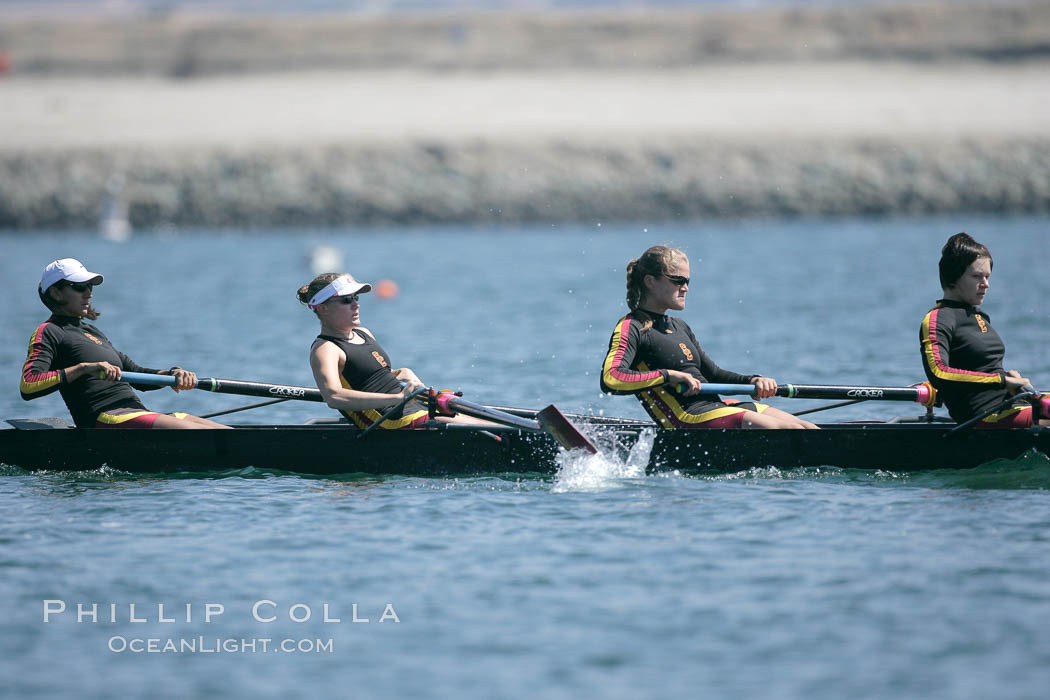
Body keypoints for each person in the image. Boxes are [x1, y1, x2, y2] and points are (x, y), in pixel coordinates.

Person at [600, 245, 817, 429]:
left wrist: (754, 380)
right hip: (686, 418)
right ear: (650, 281)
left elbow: (713, 374)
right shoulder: (632, 327)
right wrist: (668, 376)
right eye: (677, 280)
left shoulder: (679, 326)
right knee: (785, 430)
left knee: (807, 428)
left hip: (718, 407)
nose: (685, 288)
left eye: (687, 281)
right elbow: (611, 379)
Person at [20, 258, 228, 429]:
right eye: (80, 286)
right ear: (56, 293)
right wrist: (84, 369)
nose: (89, 293)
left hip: (135, 414)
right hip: (106, 417)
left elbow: (137, 374)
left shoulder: (92, 331)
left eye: (90, 286)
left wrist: (174, 374)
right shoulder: (49, 332)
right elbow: (28, 385)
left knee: (224, 431)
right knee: (198, 432)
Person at [298, 272, 489, 429]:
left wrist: (402, 373)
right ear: (323, 308)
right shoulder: (326, 349)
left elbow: (370, 377)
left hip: (411, 407)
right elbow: (334, 397)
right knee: (486, 428)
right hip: (388, 422)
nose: (356, 304)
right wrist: (397, 398)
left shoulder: (363, 333)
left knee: (488, 421)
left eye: (356, 297)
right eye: (346, 299)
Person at [919, 233, 1049, 428]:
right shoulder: (939, 318)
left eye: (987, 277)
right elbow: (939, 373)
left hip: (1009, 404)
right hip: (982, 416)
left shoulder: (979, 316)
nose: (986, 284)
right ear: (954, 276)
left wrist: (1009, 380)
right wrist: (1002, 380)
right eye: (976, 276)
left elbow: (982, 369)